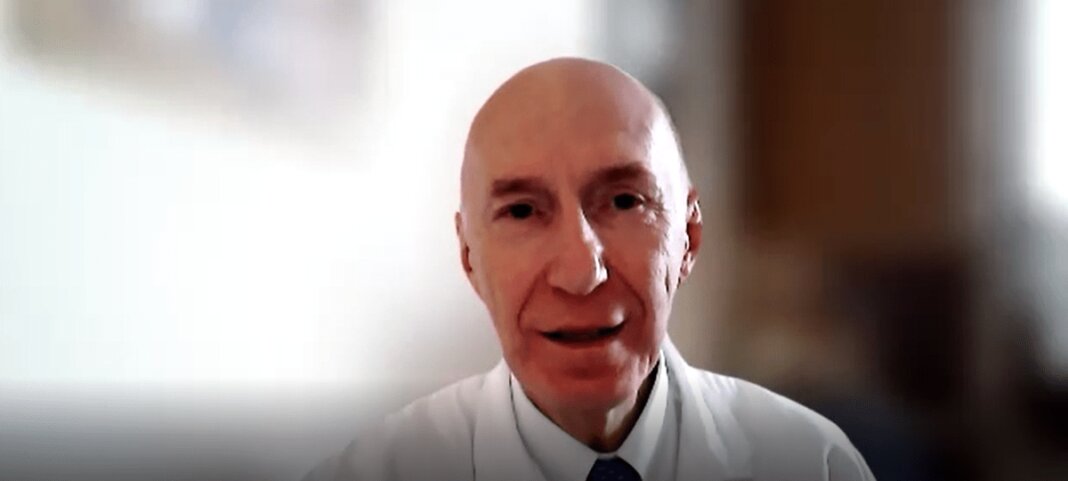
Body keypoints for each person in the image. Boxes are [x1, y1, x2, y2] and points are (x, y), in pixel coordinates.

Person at [303, 57, 875, 481]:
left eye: (625, 202)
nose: (581, 273)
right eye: (522, 211)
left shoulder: (816, 466)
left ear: (688, 238)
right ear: (469, 258)